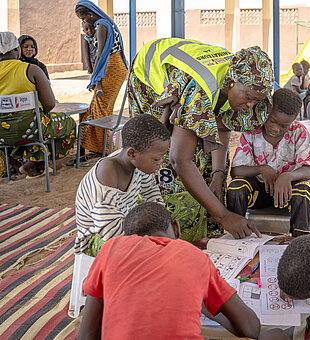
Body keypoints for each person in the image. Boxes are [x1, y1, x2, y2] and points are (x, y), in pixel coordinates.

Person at [128, 38, 274, 241]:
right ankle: (173, 234)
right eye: (248, 97)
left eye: (257, 101)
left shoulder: (234, 83)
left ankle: (208, 229)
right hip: (149, 76)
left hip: (195, 84)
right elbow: (179, 159)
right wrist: (223, 216)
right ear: (231, 82)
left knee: (207, 169)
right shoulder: (202, 90)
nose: (250, 105)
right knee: (161, 156)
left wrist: (218, 174)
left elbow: (220, 126)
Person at [78, 202, 290, 340]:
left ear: (127, 237)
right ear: (176, 228)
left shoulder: (111, 248)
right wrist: (210, 311)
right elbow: (251, 328)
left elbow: (86, 335)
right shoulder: (192, 255)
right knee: (278, 336)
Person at [74, 114, 170, 256]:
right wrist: (154, 237)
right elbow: (109, 233)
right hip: (97, 238)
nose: (161, 162)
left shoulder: (138, 163)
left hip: (126, 222)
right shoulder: (107, 174)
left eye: (163, 156)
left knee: (186, 209)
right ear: (132, 153)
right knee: (142, 251)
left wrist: (164, 224)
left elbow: (151, 193)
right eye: (156, 158)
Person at [227, 88, 310, 233]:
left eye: (284, 126)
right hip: (258, 194)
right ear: (267, 110)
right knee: (236, 188)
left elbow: (308, 169)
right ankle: (238, 234)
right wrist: (261, 169)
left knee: (304, 191)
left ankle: (299, 237)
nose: (276, 129)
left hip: (286, 195)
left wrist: (287, 176)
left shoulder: (299, 132)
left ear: (293, 120)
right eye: (272, 121)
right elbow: (236, 170)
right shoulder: (252, 130)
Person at [0, 31, 76, 177]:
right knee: (68, 123)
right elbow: (49, 104)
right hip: (32, 129)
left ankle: (22, 165)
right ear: (17, 50)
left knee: (28, 131)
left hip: (1, 135)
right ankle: (36, 164)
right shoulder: (31, 70)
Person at [74, 0, 128, 160]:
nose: (84, 23)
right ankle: (99, 147)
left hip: (110, 66)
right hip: (112, 66)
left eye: (84, 19)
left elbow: (101, 54)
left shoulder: (102, 26)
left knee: (102, 108)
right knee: (98, 107)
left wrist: (95, 76)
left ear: (90, 15)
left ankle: (103, 149)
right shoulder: (104, 24)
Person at [81, 21, 103, 98]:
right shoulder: (86, 40)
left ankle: (97, 87)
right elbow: (86, 54)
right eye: (86, 29)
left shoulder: (98, 35)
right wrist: (88, 65)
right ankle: (96, 87)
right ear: (83, 31)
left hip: (99, 58)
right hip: (93, 60)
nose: (90, 31)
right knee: (95, 72)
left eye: (92, 28)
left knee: (98, 73)